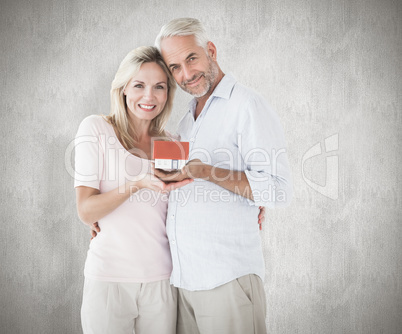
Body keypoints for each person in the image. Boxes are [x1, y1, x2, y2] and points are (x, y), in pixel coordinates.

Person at [153, 18, 293, 334]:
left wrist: (208, 171)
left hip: (226, 280)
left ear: (211, 51)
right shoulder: (188, 119)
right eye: (174, 67)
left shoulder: (247, 105)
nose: (186, 74)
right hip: (185, 282)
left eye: (191, 58)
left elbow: (279, 189)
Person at [73, 46, 192, 334]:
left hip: (161, 279)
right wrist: (135, 185)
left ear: (168, 94)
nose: (149, 96)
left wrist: (252, 202)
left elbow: (189, 199)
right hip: (109, 278)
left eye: (159, 87)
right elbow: (85, 210)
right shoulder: (97, 129)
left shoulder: (173, 144)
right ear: (123, 88)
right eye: (139, 85)